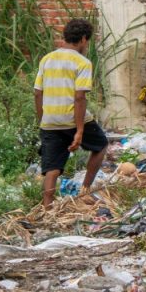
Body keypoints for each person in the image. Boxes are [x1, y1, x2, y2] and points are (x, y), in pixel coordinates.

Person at [33, 18, 108, 206]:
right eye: (87, 42)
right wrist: (80, 130)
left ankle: (46, 207)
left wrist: (42, 120)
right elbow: (79, 97)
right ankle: (85, 191)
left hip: (49, 120)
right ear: (83, 39)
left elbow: (37, 92)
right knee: (100, 146)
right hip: (72, 118)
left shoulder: (46, 59)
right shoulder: (82, 62)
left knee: (52, 168)